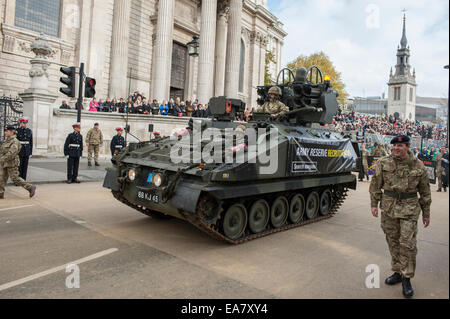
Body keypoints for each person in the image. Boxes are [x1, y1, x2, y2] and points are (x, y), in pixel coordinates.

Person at [369, 135, 431, 298]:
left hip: (409, 210)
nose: (396, 148)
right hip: (389, 208)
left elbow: (425, 191)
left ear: (408, 147)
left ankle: (407, 277)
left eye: (401, 146)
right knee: (393, 241)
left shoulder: (419, 166)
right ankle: (397, 271)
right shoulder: (383, 163)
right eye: (395, 146)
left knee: (407, 244)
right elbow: (375, 184)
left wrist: (426, 213)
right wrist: (374, 204)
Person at [0, 126, 36, 199]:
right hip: (4, 162)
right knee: (1, 178)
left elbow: (12, 153)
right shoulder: (6, 140)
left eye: (7, 131)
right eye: (5, 131)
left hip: (12, 163)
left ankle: (30, 187)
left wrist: (2, 159)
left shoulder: (15, 141)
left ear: (12, 132)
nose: (5, 132)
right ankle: (0, 193)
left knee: (15, 178)